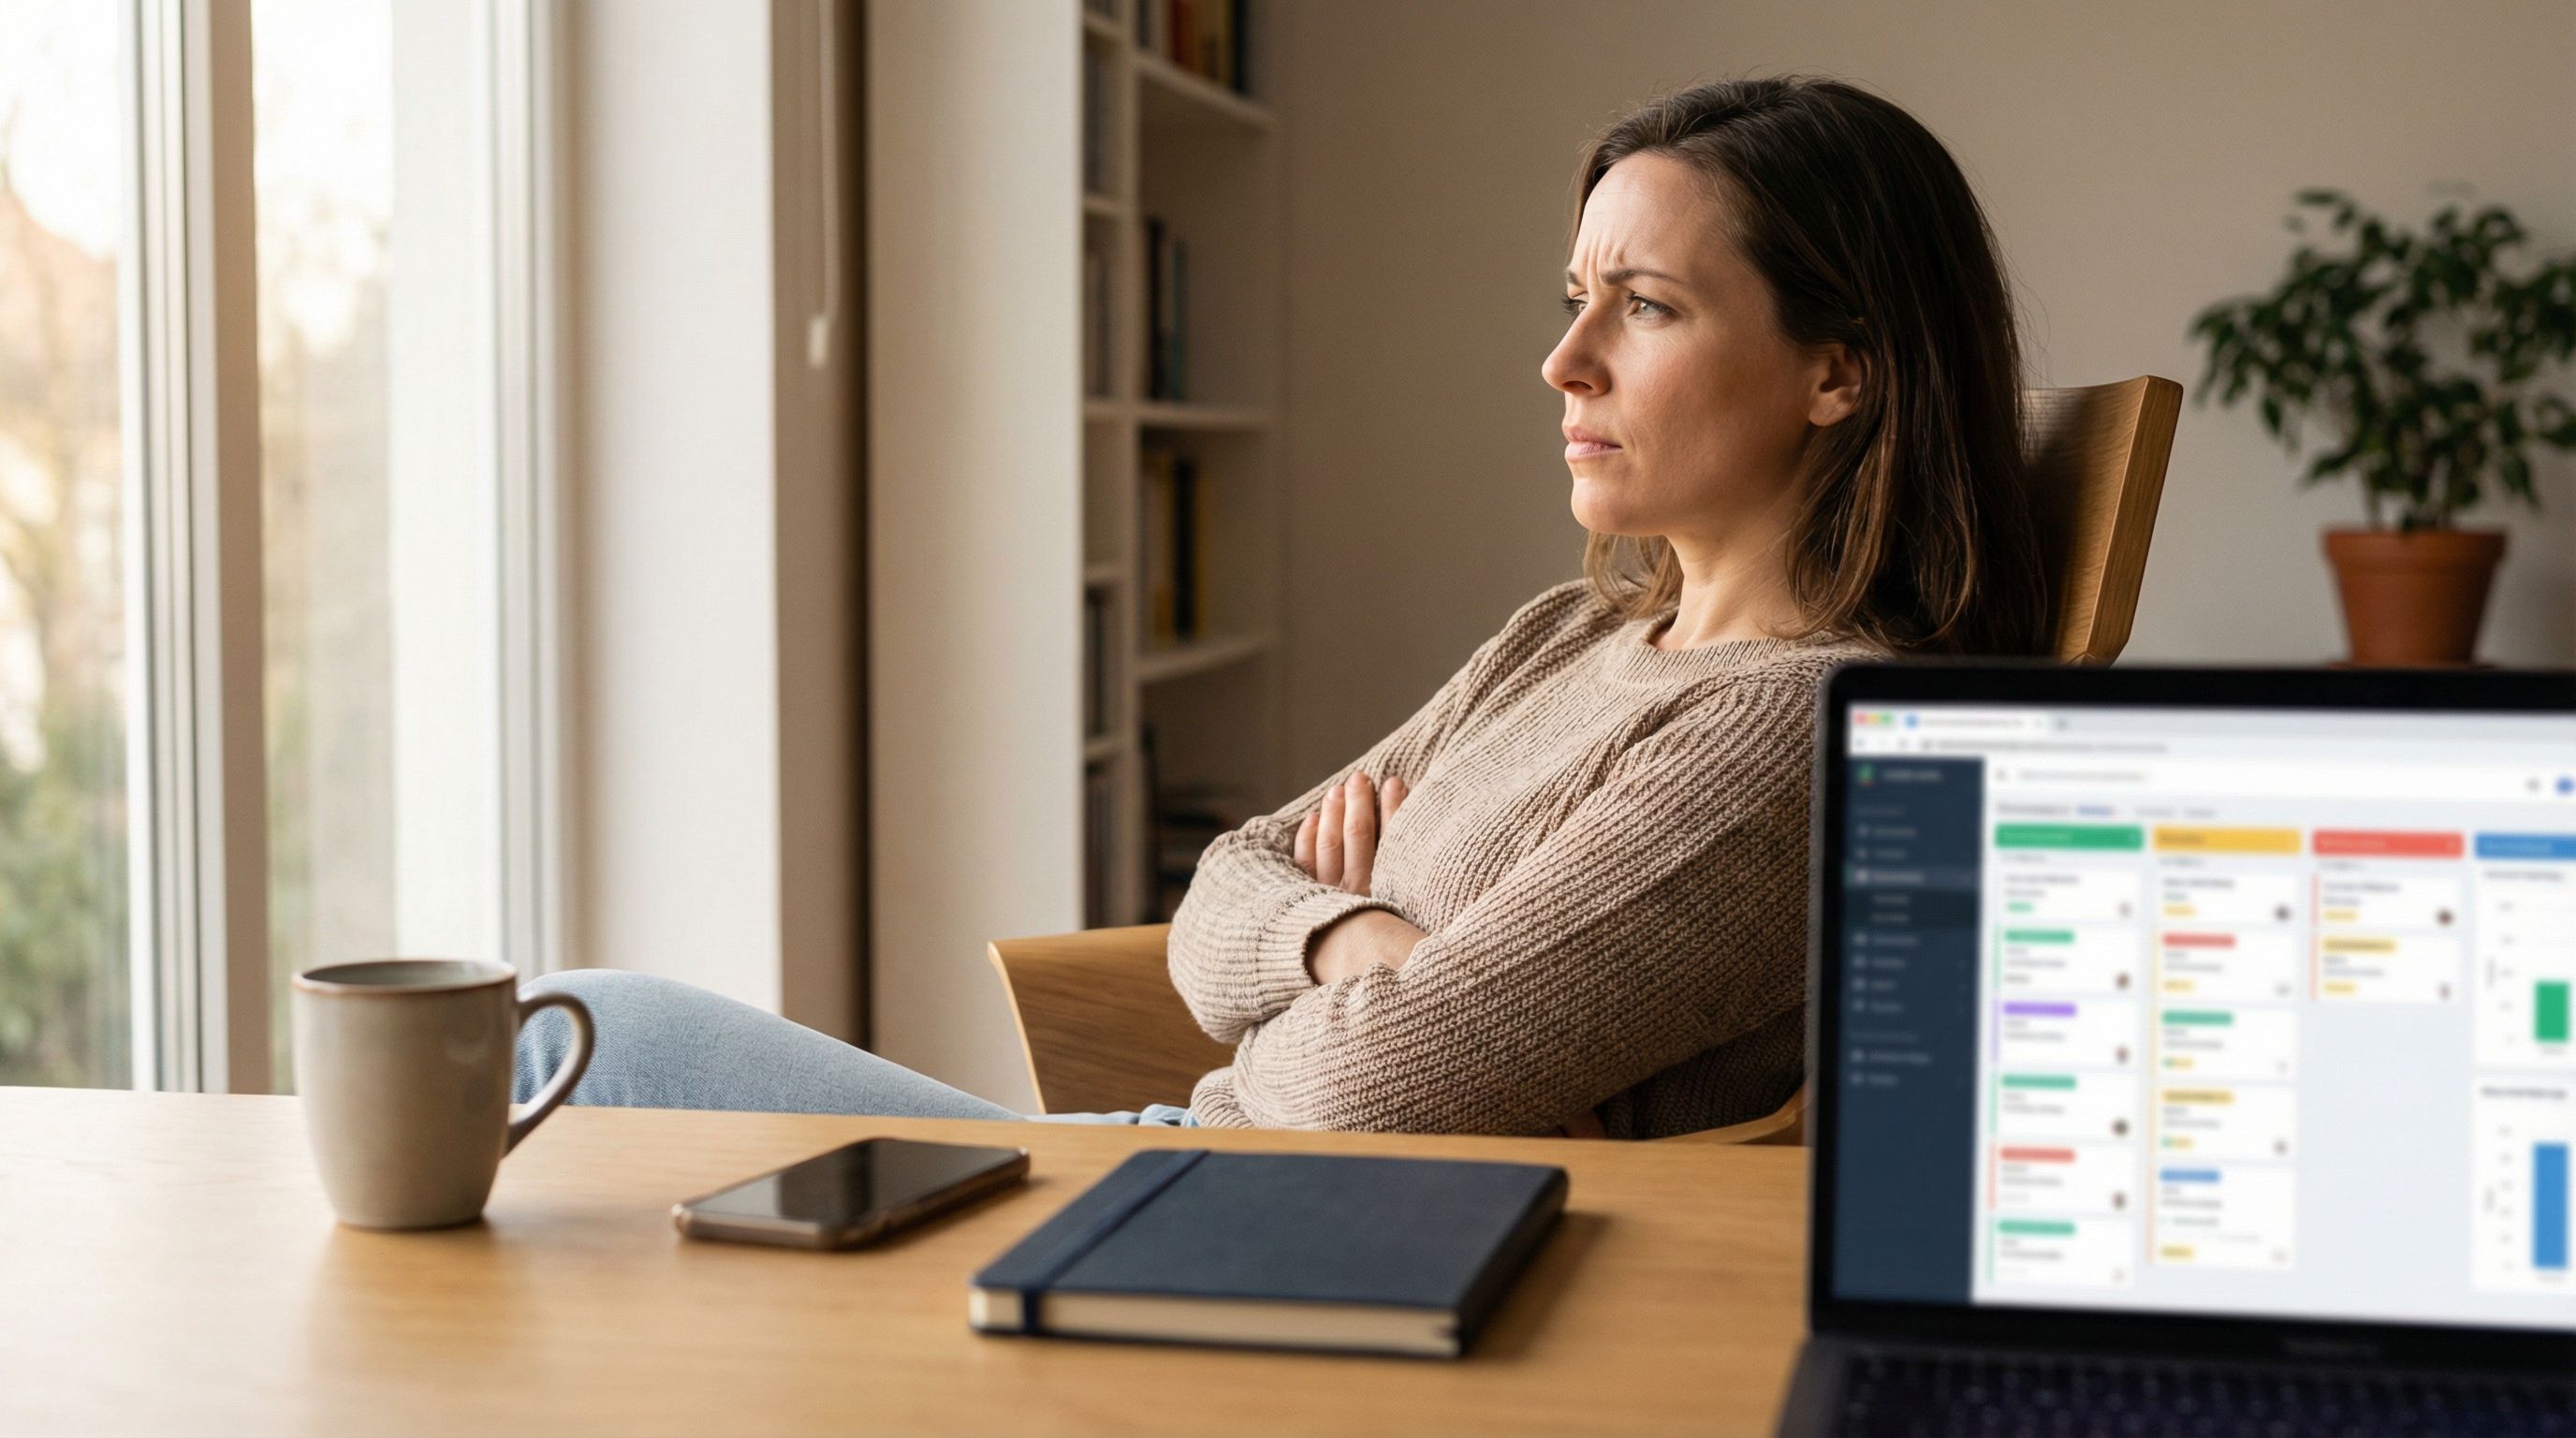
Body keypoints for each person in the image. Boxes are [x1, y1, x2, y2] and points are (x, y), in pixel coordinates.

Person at [515, 73, 2050, 1138]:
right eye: (1571, 296)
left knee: (576, 1044)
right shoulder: (1569, 633)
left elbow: (1370, 1094)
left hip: (1254, 1220)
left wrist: (1365, 1002)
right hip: (1195, 1166)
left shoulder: (1800, 728)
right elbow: (1222, 896)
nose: (1564, 360)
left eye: (1644, 306)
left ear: (1839, 371)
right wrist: (1369, 944)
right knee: (576, 1042)